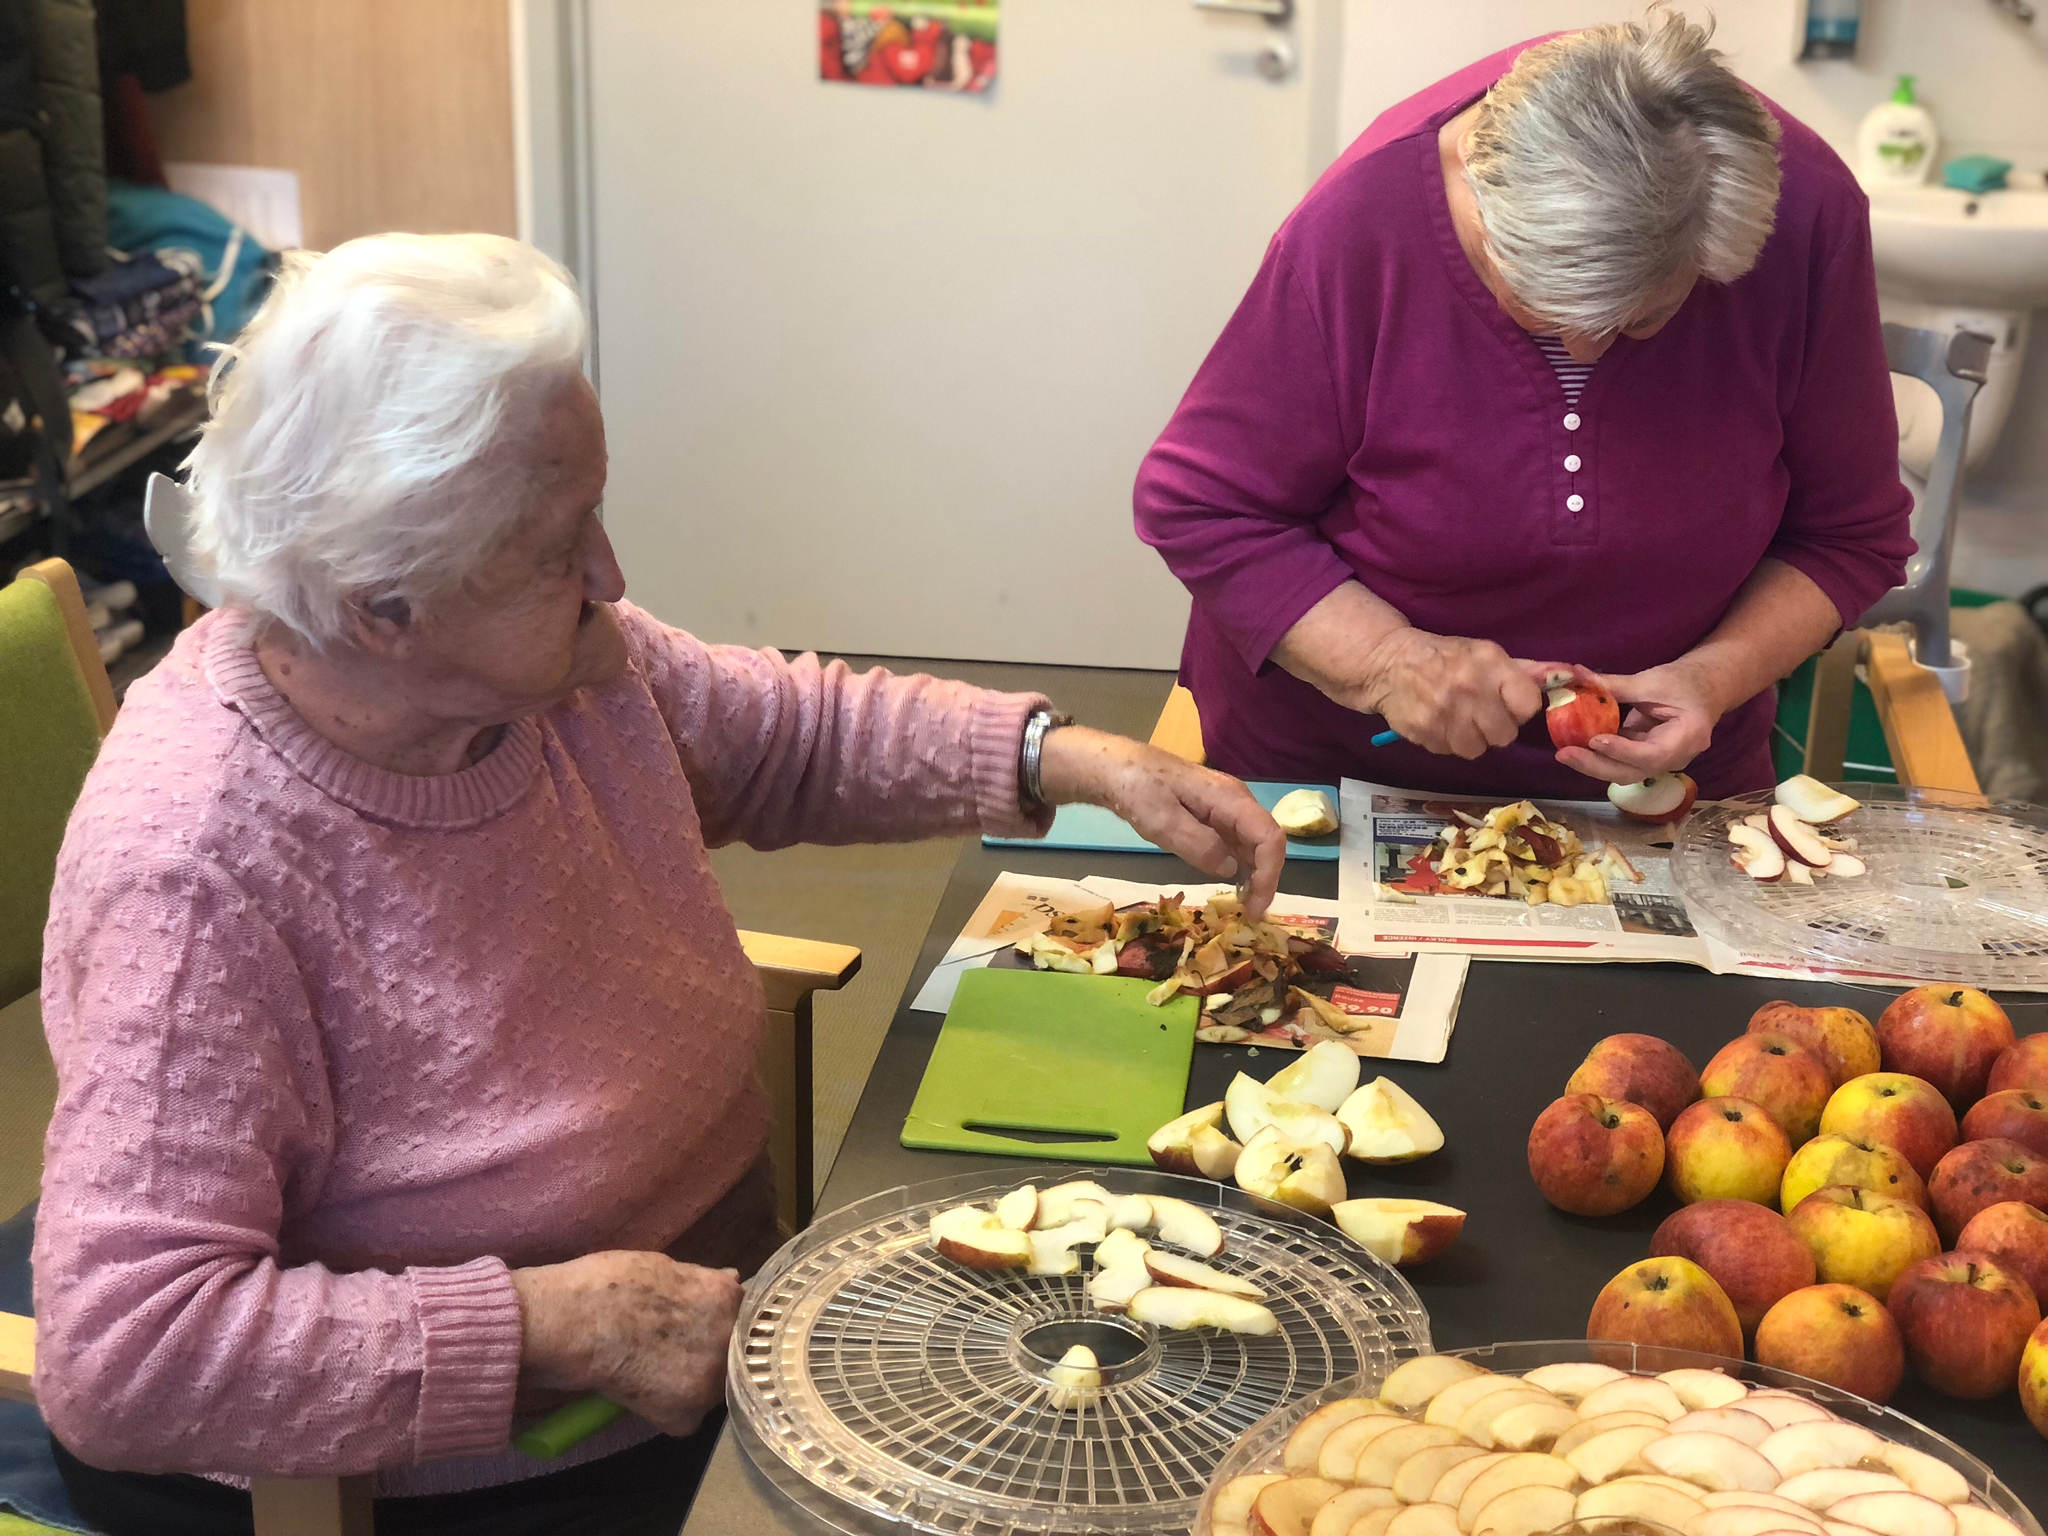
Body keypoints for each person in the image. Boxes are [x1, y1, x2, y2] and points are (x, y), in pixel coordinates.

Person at [32, 233, 1285, 1536]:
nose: (612, 578)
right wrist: (547, 1327)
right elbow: (129, 1354)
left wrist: (1071, 760)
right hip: (465, 1474)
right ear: (379, 604)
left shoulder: (551, 675)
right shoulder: (194, 867)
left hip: (716, 1330)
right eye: (556, 548)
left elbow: (788, 735)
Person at [1134, 13, 1913, 799]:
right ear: (1476, 201)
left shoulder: (1803, 217)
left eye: (1639, 320)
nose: (1584, 353)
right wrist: (1385, 662)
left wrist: (1714, 678)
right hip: (1342, 775)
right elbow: (1205, 505)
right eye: (1540, 311)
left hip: (1664, 788)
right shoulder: (1361, 223)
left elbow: (1849, 534)